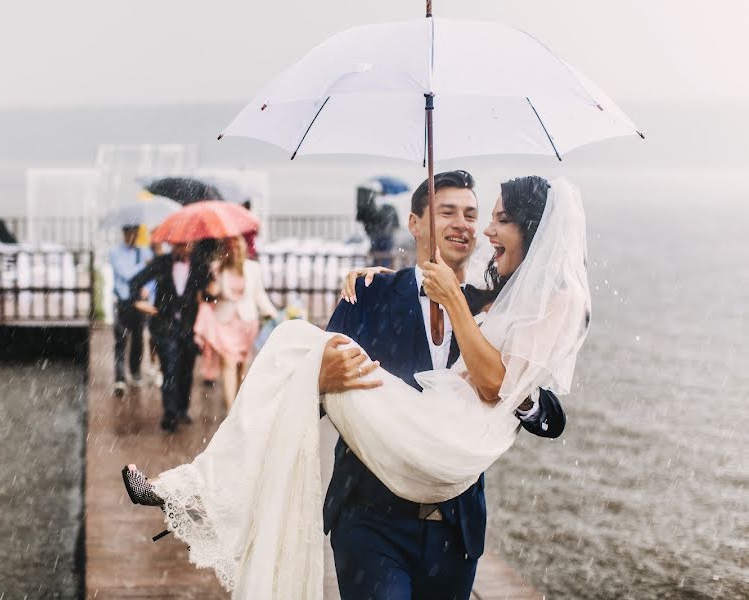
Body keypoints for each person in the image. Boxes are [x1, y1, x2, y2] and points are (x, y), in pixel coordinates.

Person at [121, 176, 590, 599]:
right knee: (294, 351)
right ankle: (200, 492)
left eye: (474, 214)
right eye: (448, 212)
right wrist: (319, 381)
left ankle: (205, 492)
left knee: (289, 346)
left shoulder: (495, 305)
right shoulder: (369, 293)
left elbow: (546, 412)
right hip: (370, 520)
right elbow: (310, 404)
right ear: (414, 222)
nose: (467, 225)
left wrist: (519, 394)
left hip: (454, 528)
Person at [129, 239, 216, 433]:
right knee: (169, 368)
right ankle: (170, 413)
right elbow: (135, 281)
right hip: (164, 325)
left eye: (188, 245)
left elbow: (209, 295)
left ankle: (183, 408)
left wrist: (212, 291)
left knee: (186, 368)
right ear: (173, 244)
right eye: (181, 244)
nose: (185, 248)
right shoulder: (162, 263)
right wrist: (138, 302)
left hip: (189, 327)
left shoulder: (200, 264)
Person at [194, 236, 277, 410]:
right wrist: (213, 292)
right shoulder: (217, 268)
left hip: (247, 323)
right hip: (224, 321)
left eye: (238, 247)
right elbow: (207, 295)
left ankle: (240, 403)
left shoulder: (253, 268)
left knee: (243, 366)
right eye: (231, 247)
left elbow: (259, 294)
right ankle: (231, 409)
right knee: (228, 362)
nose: (235, 251)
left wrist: (271, 312)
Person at [110, 224, 156, 395]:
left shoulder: (144, 252)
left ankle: (135, 371)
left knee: (138, 337)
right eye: (130, 232)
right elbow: (127, 274)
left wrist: (149, 288)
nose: (133, 236)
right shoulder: (116, 253)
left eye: (135, 233)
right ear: (124, 233)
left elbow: (152, 276)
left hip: (139, 301)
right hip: (122, 301)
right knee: (121, 339)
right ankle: (120, 378)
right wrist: (144, 266)